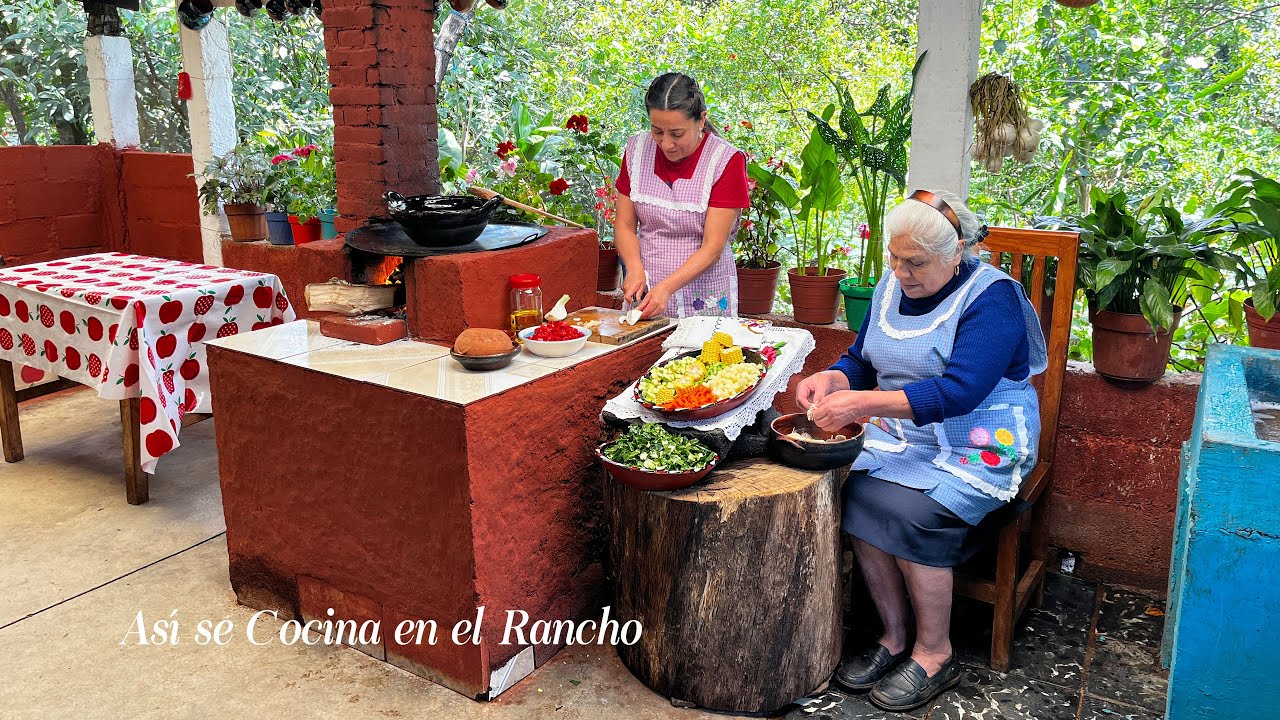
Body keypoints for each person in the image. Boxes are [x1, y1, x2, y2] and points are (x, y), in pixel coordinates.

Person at [795, 189, 1047, 712]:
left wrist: (859, 403)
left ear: (957, 254)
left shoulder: (992, 298)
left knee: (915, 514)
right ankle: (892, 636)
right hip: (910, 434)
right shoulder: (893, 284)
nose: (902, 272)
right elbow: (861, 358)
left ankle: (935, 652)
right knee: (859, 492)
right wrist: (833, 377)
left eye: (916, 262)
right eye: (894, 257)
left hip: (981, 441)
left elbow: (959, 392)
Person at [613, 72, 750, 319]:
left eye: (677, 134)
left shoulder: (725, 161)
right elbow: (624, 224)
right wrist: (634, 268)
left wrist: (666, 288)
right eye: (657, 132)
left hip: (704, 293)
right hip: (646, 290)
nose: (666, 144)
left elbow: (712, 246)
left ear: (701, 120)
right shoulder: (636, 150)